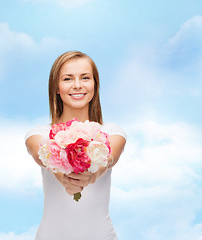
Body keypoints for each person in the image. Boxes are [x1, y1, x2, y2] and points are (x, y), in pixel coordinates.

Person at [25, 51, 126, 240]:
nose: (78, 85)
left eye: (85, 77)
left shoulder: (112, 132)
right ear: (56, 87)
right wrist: (61, 175)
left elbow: (110, 157)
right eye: (68, 79)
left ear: (94, 84)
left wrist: (94, 174)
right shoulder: (38, 134)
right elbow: (40, 154)